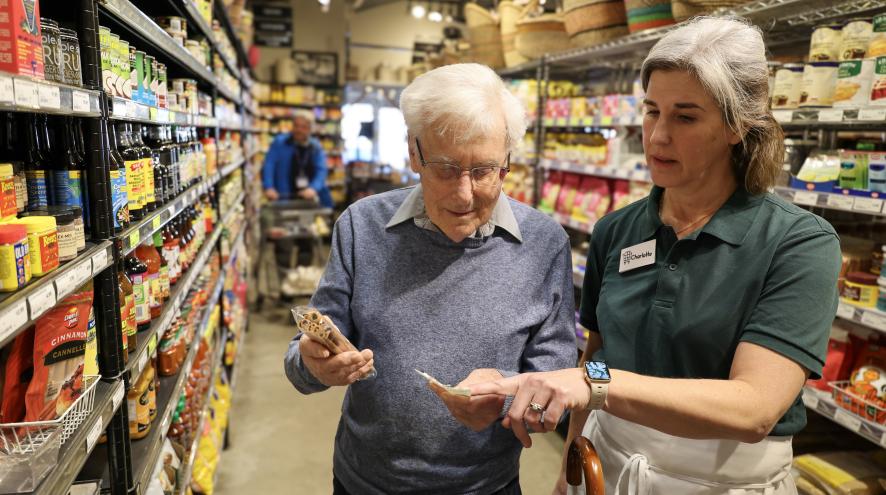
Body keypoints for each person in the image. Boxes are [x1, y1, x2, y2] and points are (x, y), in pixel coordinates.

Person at [467, 17, 841, 495]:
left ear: (737, 125)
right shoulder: (617, 230)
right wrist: (568, 469)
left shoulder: (798, 244)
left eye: (685, 117)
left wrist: (594, 384)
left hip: (724, 483)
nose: (658, 136)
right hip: (608, 465)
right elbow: (600, 356)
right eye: (651, 111)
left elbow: (754, 410)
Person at [283, 63, 577, 494]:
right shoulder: (362, 227)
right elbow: (305, 354)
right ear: (413, 153)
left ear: (509, 162)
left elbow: (557, 376)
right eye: (444, 168)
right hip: (364, 481)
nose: (463, 194)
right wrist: (314, 365)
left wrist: (507, 401)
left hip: (485, 486)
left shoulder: (544, 243)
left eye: (484, 171)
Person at [262, 109, 333, 208]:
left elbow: (321, 170)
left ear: (310, 129)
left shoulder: (315, 146)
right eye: (296, 125)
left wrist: (313, 188)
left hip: (309, 197)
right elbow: (269, 165)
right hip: (283, 196)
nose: (298, 130)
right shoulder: (280, 142)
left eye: (303, 127)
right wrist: (269, 187)